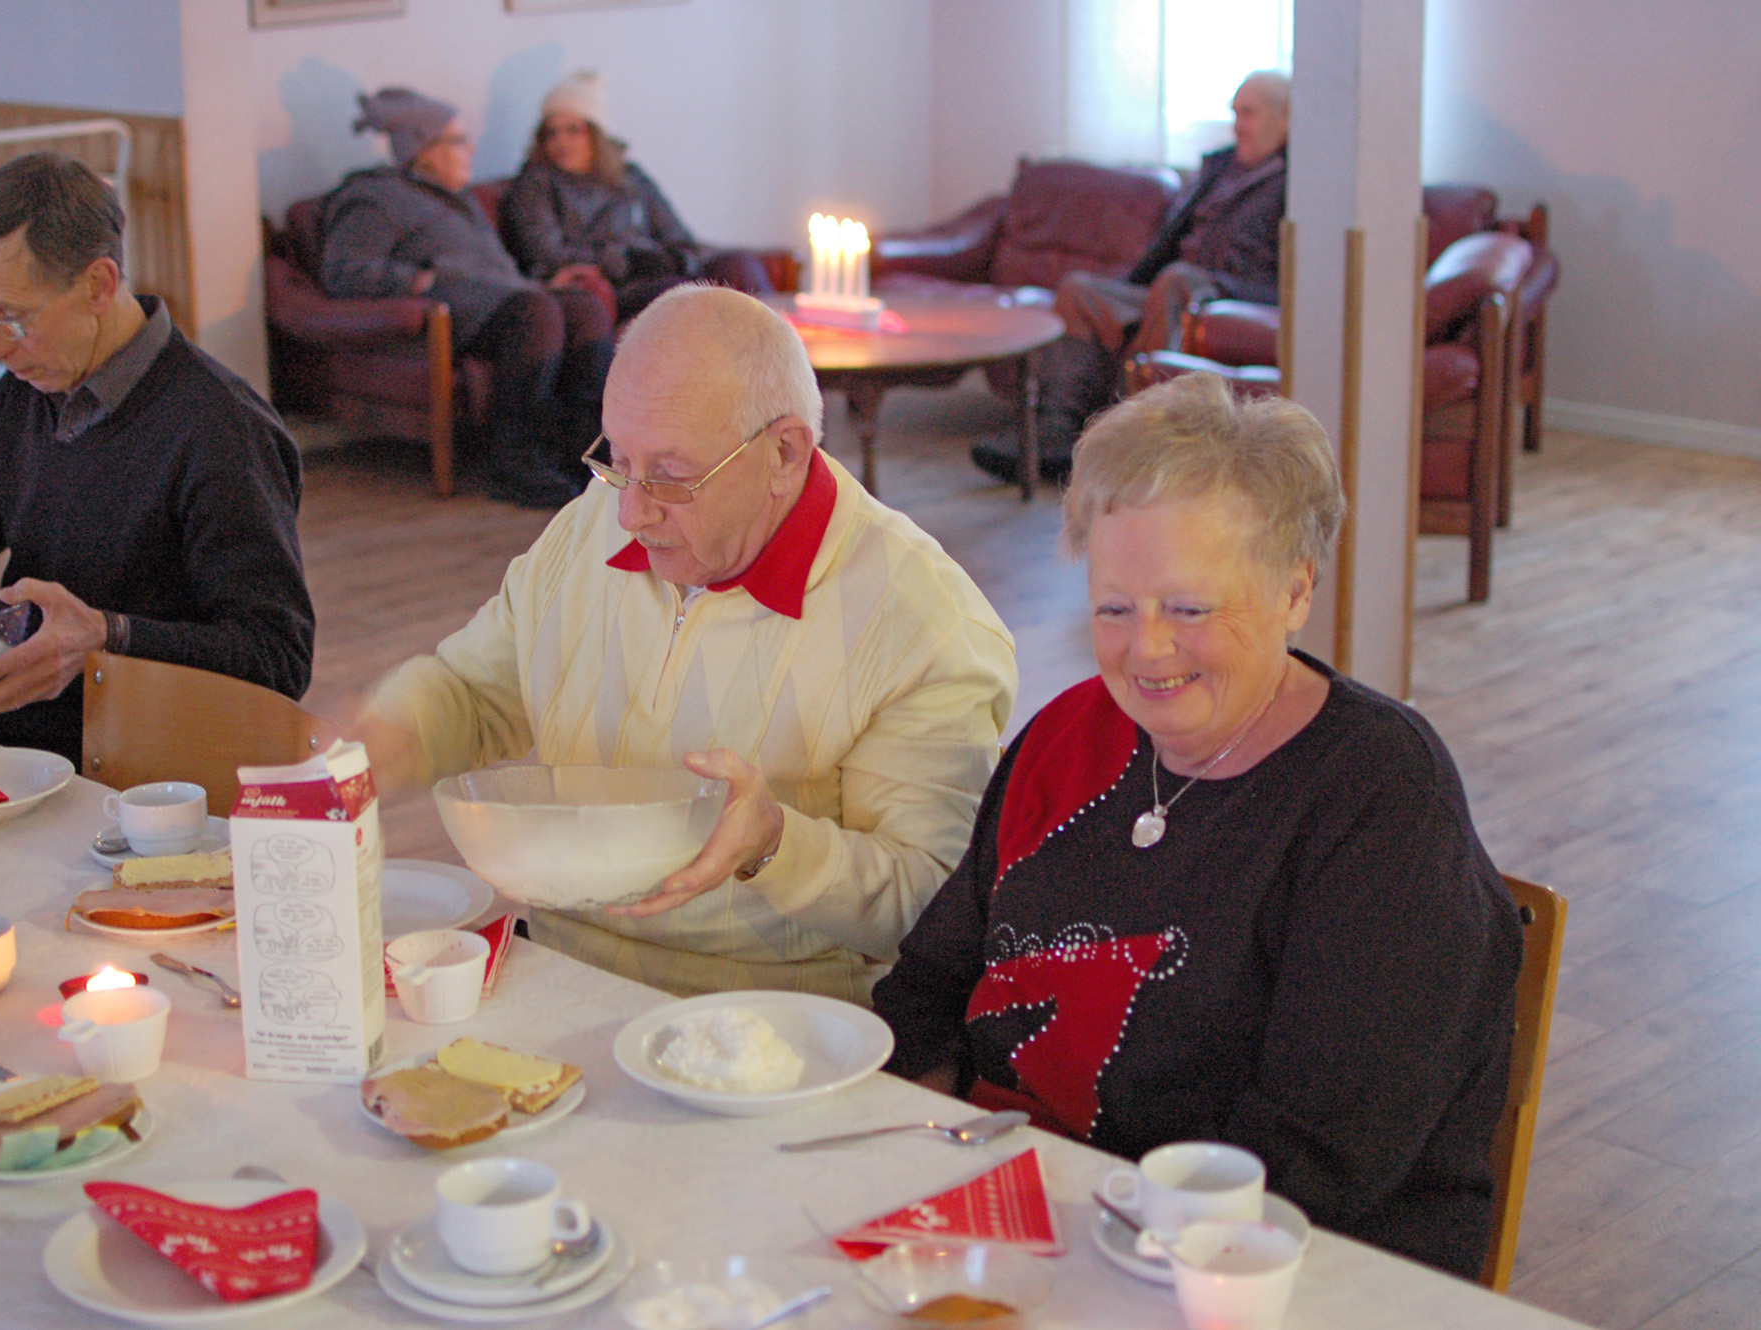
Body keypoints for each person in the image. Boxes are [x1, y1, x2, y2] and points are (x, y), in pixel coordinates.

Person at [879, 372, 1520, 1277]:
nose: (1147, 648)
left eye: (1188, 608)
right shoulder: (1066, 739)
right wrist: (913, 1173)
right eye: (1114, 607)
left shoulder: (1378, 799)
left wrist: (1053, 1239)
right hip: (1013, 1221)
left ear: (1295, 591)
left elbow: (1317, 1162)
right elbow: (929, 990)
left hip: (1262, 1272)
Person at [352, 284, 1017, 1001]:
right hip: (559, 969)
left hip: (767, 1013)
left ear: (785, 453)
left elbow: (930, 908)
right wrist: (380, 736)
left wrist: (775, 843)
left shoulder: (923, 622)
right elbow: (476, 693)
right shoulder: (595, 522)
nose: (630, 513)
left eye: (670, 477)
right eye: (618, 460)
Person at [0, 153, 314, 768]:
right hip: (16, 751)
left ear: (99, 285)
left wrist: (107, 638)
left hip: (146, 776)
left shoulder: (220, 428)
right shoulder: (30, 390)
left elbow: (277, 657)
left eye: (9, 318)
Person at [973, 71, 1291, 485]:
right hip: (1166, 288)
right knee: (1080, 290)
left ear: (1286, 117)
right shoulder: (1221, 167)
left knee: (1176, 281)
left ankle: (1139, 436)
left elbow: (1294, 274)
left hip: (1227, 296)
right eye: (1234, 114)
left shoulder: (1296, 180)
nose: (1237, 126)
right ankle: (1057, 431)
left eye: (1248, 114)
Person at [322, 87, 614, 510]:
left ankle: (587, 451)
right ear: (425, 150)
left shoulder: (459, 197)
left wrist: (543, 281)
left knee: (583, 307)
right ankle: (515, 461)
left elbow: (493, 270)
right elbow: (343, 270)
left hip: (505, 298)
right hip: (454, 313)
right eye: (458, 140)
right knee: (537, 311)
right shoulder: (376, 197)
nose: (472, 149)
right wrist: (414, 280)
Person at [499, 70, 772, 323]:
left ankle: (775, 352)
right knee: (681, 295)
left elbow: (679, 238)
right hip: (615, 287)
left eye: (573, 130)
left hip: (661, 273)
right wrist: (627, 261)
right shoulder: (536, 185)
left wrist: (677, 260)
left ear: (595, 133)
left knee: (739, 267)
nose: (560, 141)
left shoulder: (631, 178)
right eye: (551, 133)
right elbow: (548, 254)